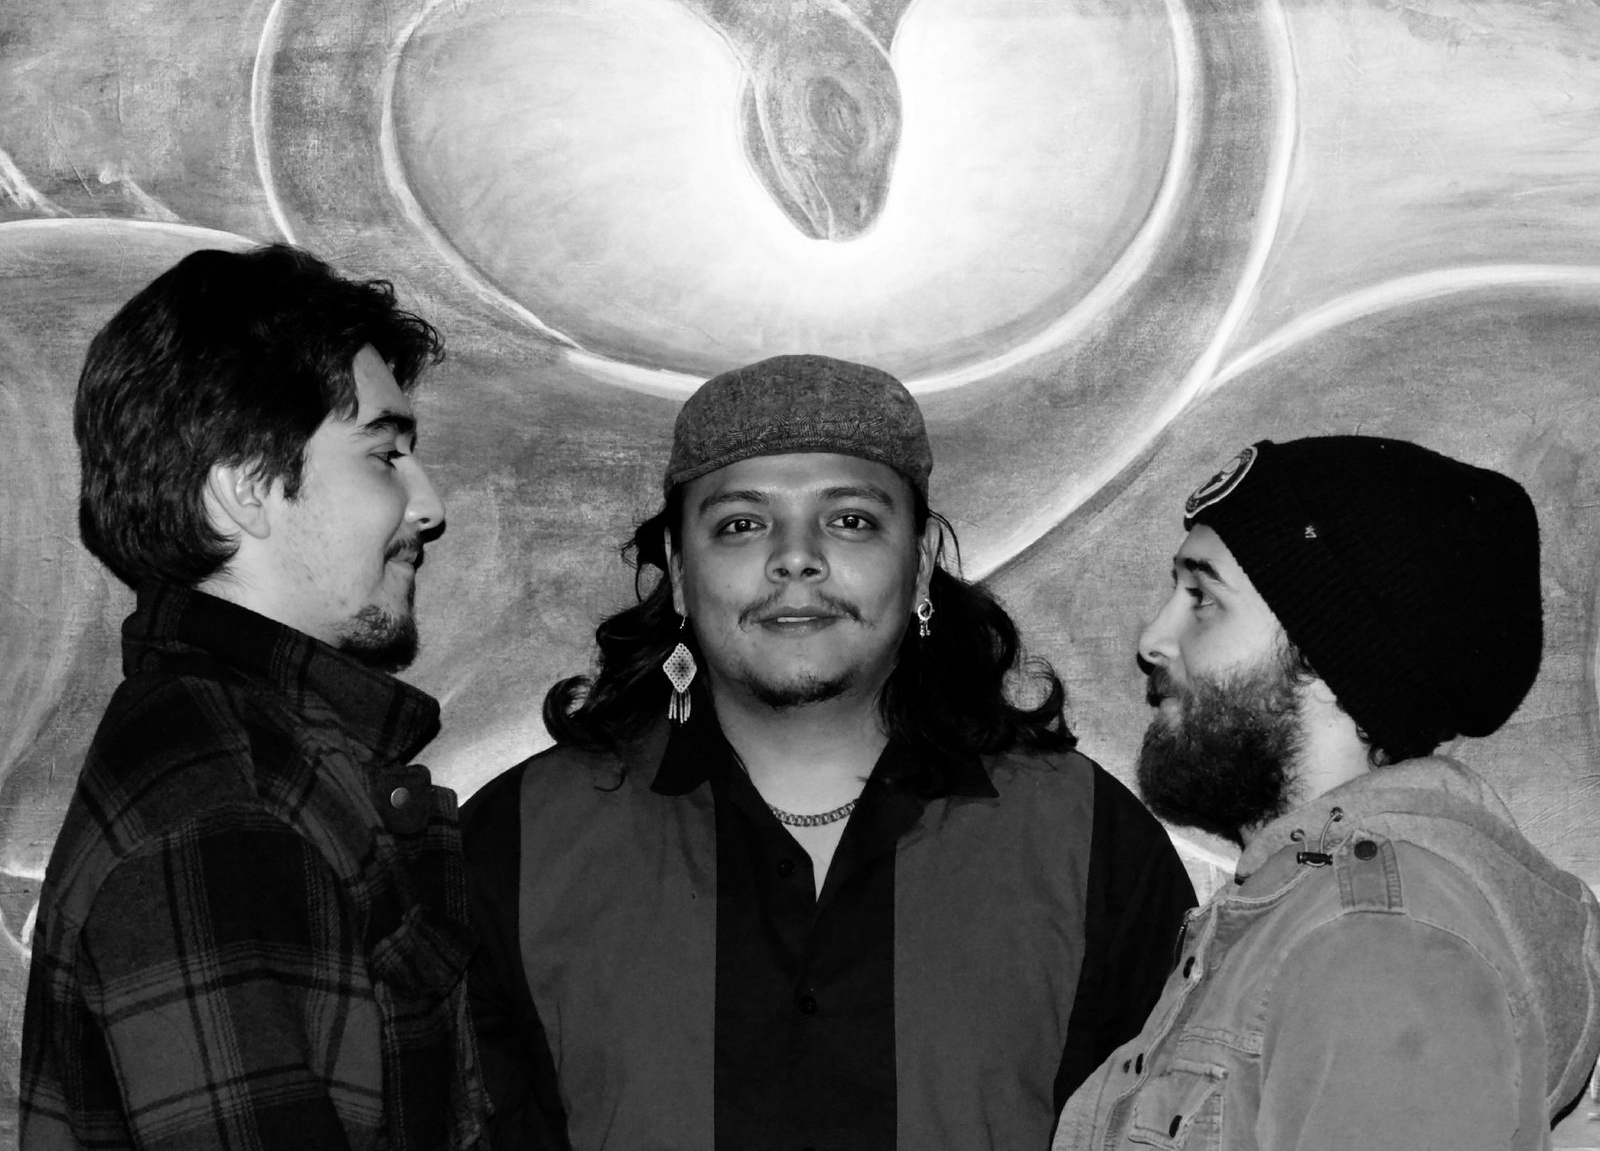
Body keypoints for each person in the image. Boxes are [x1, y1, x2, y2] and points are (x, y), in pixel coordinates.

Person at [463, 353, 1196, 1150]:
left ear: (921, 563)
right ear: (677, 570)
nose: (795, 557)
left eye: (850, 520)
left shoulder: (1087, 842)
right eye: (742, 524)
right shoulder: (518, 841)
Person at [20, 244, 487, 1150]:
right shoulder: (221, 805)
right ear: (245, 488)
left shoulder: (263, 761)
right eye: (385, 455)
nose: (428, 505)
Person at [1054, 435, 1600, 1151]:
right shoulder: (1309, 919)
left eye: (1202, 598)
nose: (1154, 638)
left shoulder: (1380, 948)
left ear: (1322, 655)